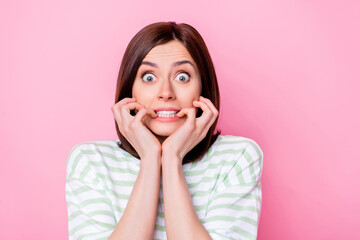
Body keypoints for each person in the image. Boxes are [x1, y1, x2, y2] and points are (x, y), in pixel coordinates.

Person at [66, 21, 263, 240]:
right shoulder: (91, 162)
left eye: (182, 77)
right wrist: (150, 158)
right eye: (149, 77)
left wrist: (172, 158)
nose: (166, 92)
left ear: (203, 88)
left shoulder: (236, 157)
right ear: (129, 89)